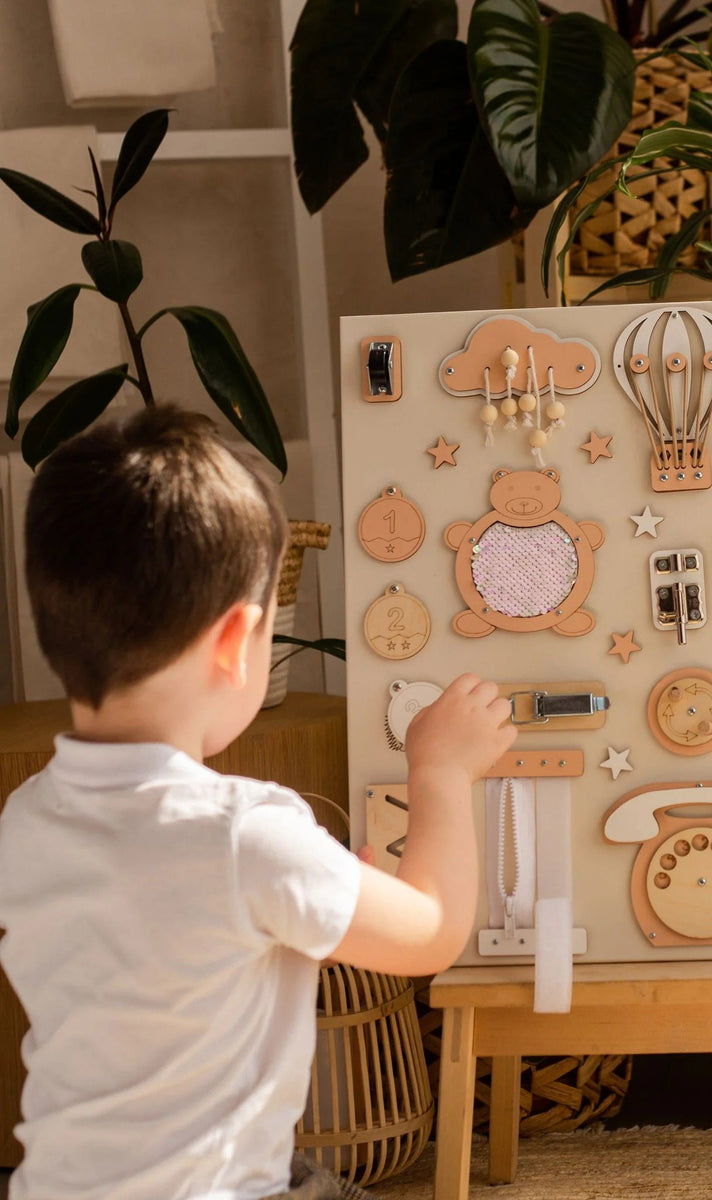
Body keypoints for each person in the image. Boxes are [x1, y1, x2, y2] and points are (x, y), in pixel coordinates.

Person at [0, 407, 515, 1200]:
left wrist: (309, 888)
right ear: (239, 642)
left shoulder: (26, 818)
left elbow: (168, 934)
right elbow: (431, 931)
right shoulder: (247, 833)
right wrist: (441, 772)